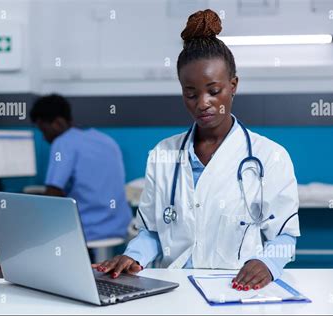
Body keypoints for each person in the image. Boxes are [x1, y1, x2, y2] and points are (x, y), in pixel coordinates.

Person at [92, 9, 300, 291]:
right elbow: (152, 232)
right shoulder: (163, 155)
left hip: (235, 289)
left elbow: (284, 237)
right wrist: (133, 256)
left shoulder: (270, 157)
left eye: (214, 91)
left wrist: (268, 264)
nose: (202, 103)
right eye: (191, 93)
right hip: (173, 289)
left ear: (233, 86)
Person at [30, 94, 132, 260]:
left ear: (58, 123)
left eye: (43, 130)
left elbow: (52, 195)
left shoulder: (63, 143)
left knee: (32, 231)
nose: (43, 137)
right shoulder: (105, 140)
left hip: (89, 230)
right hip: (120, 226)